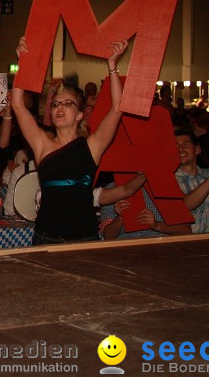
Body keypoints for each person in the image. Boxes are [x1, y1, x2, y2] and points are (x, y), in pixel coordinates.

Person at [12, 37, 145, 245]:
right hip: (47, 237)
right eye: (56, 104)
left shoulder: (92, 146)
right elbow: (18, 105)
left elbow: (117, 108)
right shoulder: (42, 144)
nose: (60, 108)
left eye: (67, 104)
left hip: (85, 238)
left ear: (80, 115)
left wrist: (112, 65)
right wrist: (22, 65)